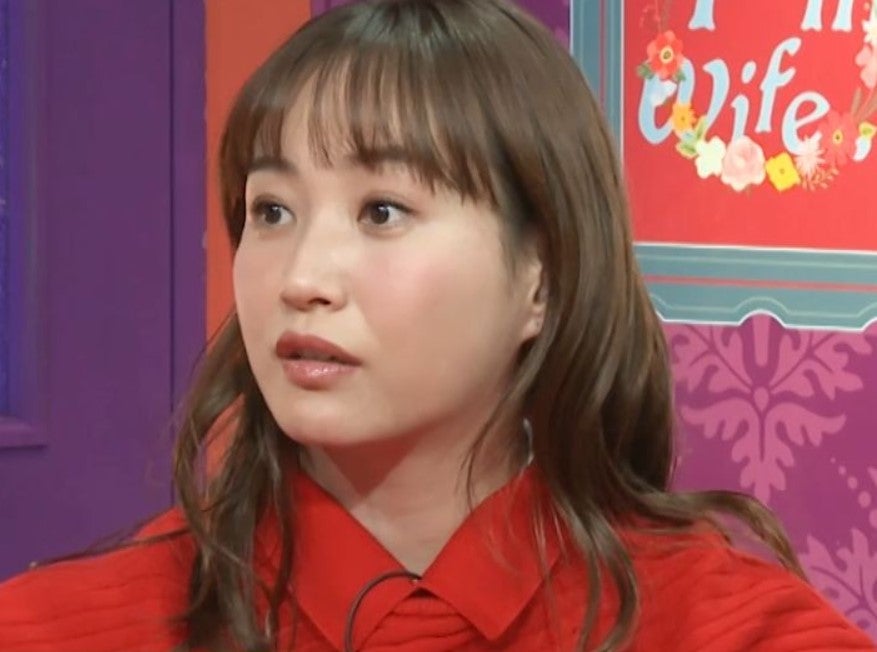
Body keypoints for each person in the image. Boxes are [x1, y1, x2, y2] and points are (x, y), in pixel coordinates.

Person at [0, 0, 874, 650]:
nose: (301, 279)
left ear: (542, 278)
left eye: (381, 211)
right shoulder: (52, 629)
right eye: (271, 211)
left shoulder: (735, 631)